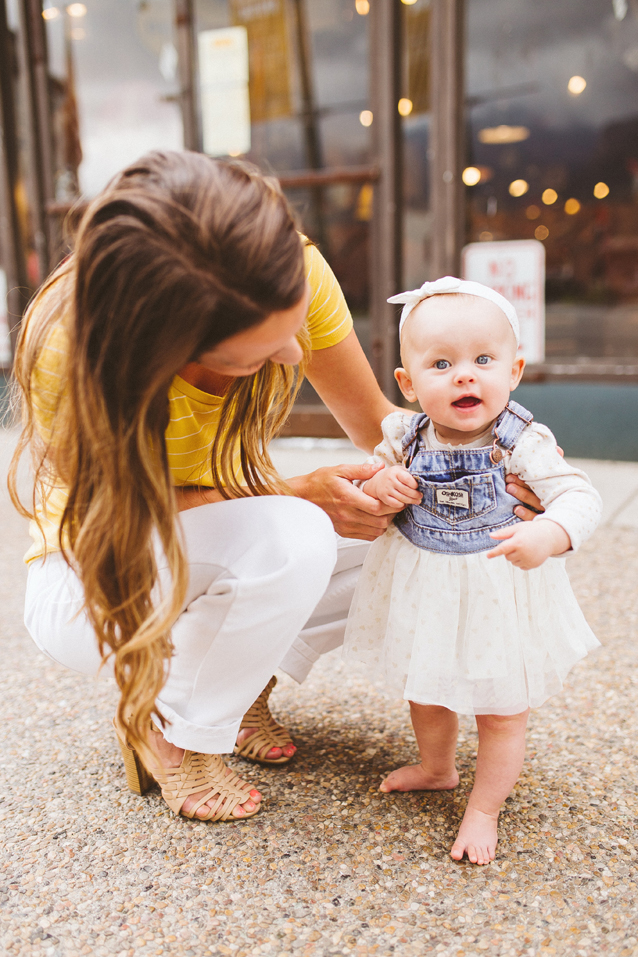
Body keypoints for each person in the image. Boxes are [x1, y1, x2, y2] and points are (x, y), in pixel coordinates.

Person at [9, 150, 545, 825]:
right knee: (293, 536)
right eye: (259, 354)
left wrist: (495, 469)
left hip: (212, 541)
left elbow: (377, 423)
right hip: (94, 583)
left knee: (427, 538)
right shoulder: (71, 346)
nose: (295, 356)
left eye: (293, 328)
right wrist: (293, 495)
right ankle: (172, 727)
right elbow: (113, 513)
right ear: (168, 346)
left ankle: (229, 686)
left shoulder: (282, 265)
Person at [343, 276, 601, 864]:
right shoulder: (402, 436)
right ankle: (437, 767)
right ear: (408, 384)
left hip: (498, 589)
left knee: (501, 711)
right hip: (428, 586)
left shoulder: (523, 442)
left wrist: (550, 532)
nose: (465, 374)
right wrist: (380, 484)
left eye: (483, 360)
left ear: (513, 371)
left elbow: (580, 496)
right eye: (442, 363)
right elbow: (370, 479)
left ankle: (485, 808)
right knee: (426, 689)